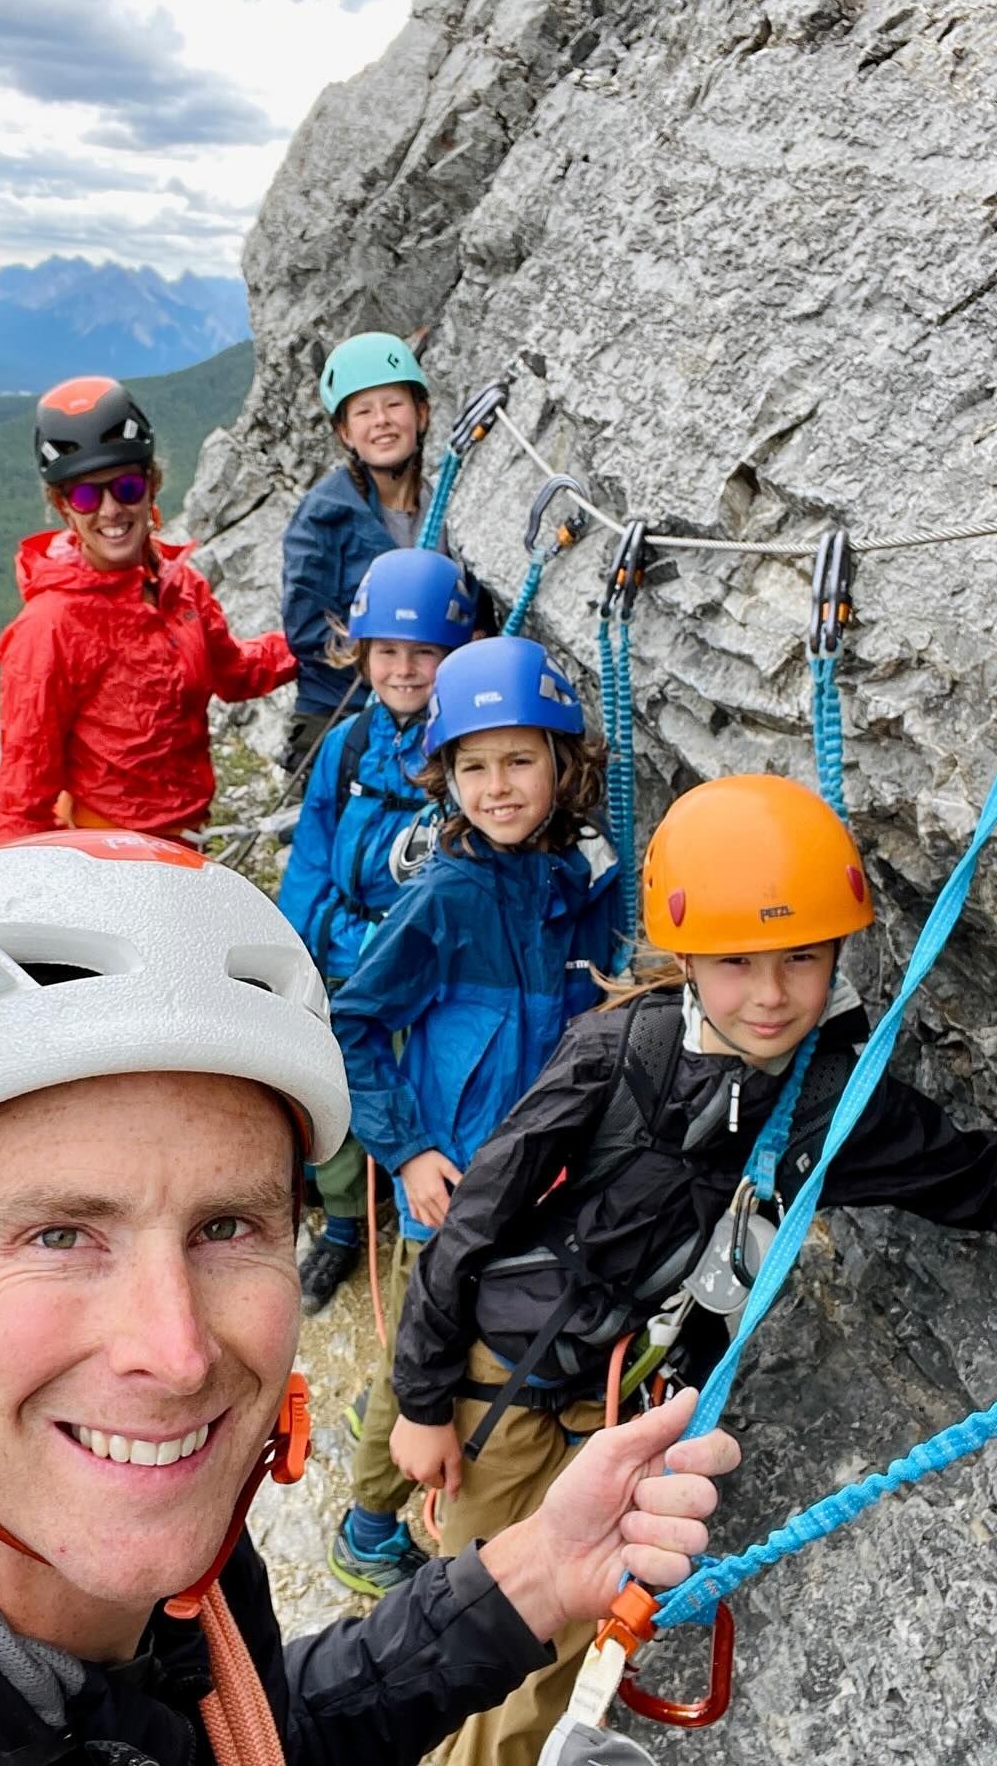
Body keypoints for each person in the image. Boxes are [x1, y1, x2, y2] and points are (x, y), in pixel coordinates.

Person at [0, 832, 739, 1766]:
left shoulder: (126, 1556)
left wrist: (534, 1573)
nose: (174, 1354)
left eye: (227, 1228)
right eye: (60, 1235)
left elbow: (243, 1734)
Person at [388, 773, 997, 1766]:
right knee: (470, 1588)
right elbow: (475, 1221)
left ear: (840, 956)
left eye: (803, 959)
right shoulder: (617, 1052)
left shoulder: (837, 1110)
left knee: (557, 1627)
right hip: (507, 1366)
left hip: (630, 1403)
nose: (771, 995)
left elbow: (992, 1189)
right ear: (685, 959)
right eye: (736, 963)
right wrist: (421, 1404)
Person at [325, 636, 623, 1599]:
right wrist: (408, 1151)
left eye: (519, 760)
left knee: (477, 1342)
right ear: (445, 777)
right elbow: (355, 1021)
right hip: (451, 1181)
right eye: (472, 766)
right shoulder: (448, 896)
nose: (497, 788)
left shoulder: (580, 885)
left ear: (562, 764)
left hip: (544, 1177)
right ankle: (370, 1526)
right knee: (424, 1351)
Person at [278, 547, 477, 1314]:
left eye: (423, 652)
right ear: (361, 653)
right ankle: (342, 1224)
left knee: (410, 1089)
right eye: (386, 651)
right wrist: (314, 948)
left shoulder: (464, 749)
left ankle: (409, 1211)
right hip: (342, 954)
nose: (401, 669)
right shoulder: (349, 744)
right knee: (332, 1084)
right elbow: (312, 861)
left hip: (420, 970)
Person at [0, 375, 296, 843]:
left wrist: (322, 643)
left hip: (185, 843)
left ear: (152, 486)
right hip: (107, 857)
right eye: (86, 495)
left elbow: (234, 673)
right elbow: (23, 800)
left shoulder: (182, 588)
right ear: (62, 507)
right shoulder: (48, 627)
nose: (110, 510)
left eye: (127, 486)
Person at [280, 332, 493, 776]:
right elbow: (305, 629)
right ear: (346, 432)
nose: (381, 421)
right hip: (342, 713)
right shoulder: (325, 515)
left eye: (394, 405)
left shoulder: (455, 506)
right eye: (363, 411)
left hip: (436, 702)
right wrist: (388, 660)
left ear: (422, 414)